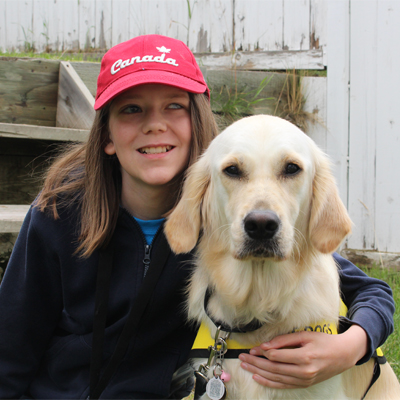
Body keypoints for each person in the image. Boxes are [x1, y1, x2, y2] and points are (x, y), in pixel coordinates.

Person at [0, 34, 394, 399]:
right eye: (132, 109)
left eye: (174, 105)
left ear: (197, 124)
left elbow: (369, 289)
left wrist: (352, 346)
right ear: (106, 135)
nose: (155, 124)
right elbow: (11, 347)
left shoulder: (218, 209)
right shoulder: (58, 213)